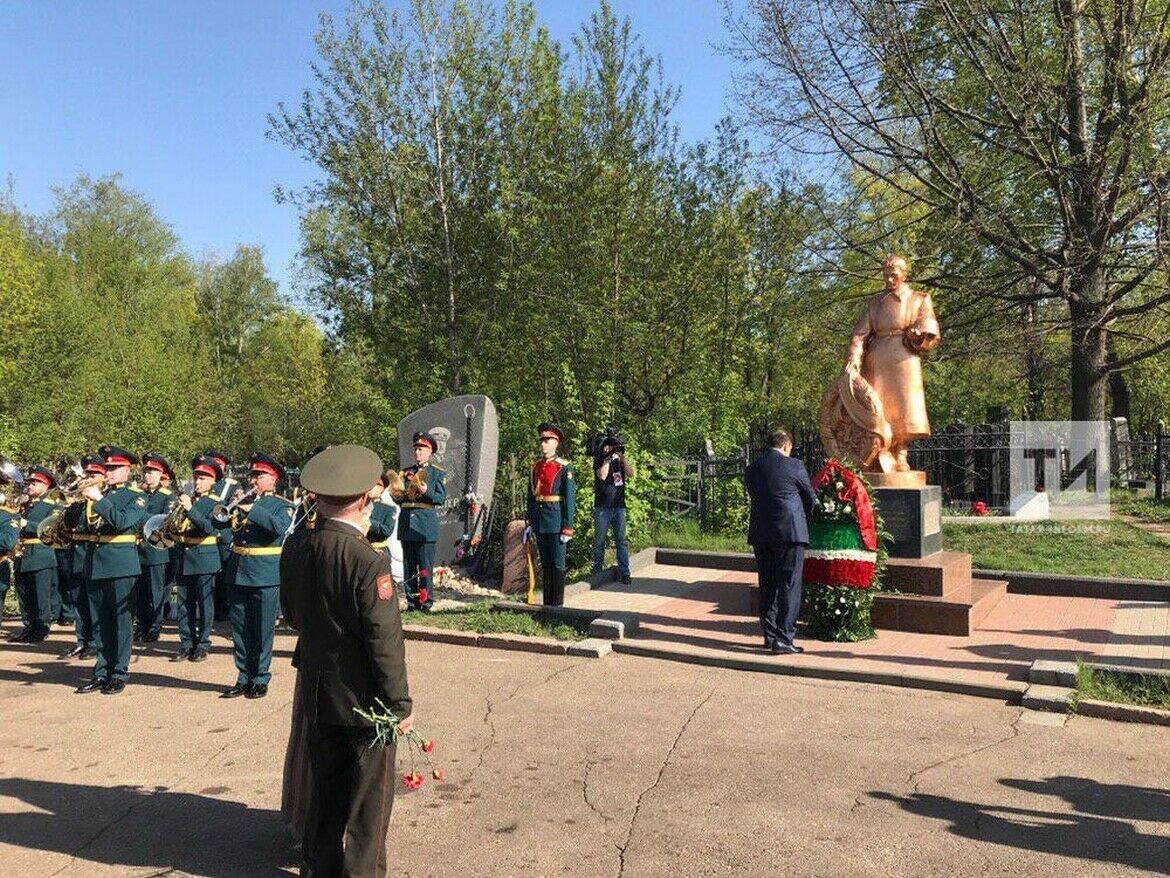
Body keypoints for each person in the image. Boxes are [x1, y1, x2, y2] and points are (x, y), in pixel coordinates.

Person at [280, 443, 412, 877]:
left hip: (319, 692)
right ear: (361, 500)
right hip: (365, 702)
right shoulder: (366, 560)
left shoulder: (297, 546)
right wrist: (399, 704)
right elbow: (384, 642)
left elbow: (294, 616)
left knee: (325, 798)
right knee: (368, 810)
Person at [77, 446, 149, 694]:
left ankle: (119, 672)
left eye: (113, 468)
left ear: (127, 471)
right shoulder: (98, 494)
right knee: (99, 622)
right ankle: (101, 671)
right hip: (95, 564)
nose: (107, 472)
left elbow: (121, 521)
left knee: (120, 622)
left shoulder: (136, 496)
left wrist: (97, 498)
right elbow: (79, 528)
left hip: (120, 565)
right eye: (106, 468)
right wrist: (79, 501)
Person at [222, 452, 293, 699]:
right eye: (252, 475)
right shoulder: (241, 499)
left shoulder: (282, 504)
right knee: (240, 629)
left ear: (273, 479)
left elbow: (279, 528)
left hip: (264, 572)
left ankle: (260, 677)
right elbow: (218, 523)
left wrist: (251, 509)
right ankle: (243, 677)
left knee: (262, 629)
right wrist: (232, 506)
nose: (253, 480)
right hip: (238, 570)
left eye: (259, 475)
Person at [743, 428, 816, 655]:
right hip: (790, 534)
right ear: (786, 446)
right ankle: (784, 638)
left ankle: (770, 635)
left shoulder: (752, 469)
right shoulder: (794, 465)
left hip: (761, 534)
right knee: (789, 585)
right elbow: (810, 499)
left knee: (768, 585)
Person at [171, 456, 226, 663]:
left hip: (204, 558)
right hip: (183, 555)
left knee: (204, 604)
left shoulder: (216, 503)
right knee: (184, 604)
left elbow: (210, 528)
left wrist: (189, 510)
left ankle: (203, 644)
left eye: (203, 478)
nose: (198, 482)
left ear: (213, 481)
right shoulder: (189, 498)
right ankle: (186, 643)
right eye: (196, 477)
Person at [57, 453, 105, 660]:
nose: (88, 477)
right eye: (86, 473)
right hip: (75, 555)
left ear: (103, 477)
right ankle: (82, 641)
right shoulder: (80, 500)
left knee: (93, 603)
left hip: (92, 553)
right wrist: (75, 500)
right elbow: (68, 524)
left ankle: (95, 642)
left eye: (93, 473)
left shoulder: (104, 500)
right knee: (78, 602)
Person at [391, 432, 447, 611]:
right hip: (407, 524)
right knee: (409, 566)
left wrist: (426, 491)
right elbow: (400, 499)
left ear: (430, 451)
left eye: (421, 449)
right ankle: (412, 602)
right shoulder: (405, 472)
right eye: (416, 449)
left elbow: (440, 498)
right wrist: (395, 494)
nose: (417, 453)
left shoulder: (437, 473)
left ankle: (426, 602)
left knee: (424, 566)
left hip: (424, 525)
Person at [526, 422, 576, 607]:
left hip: (556, 521)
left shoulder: (564, 467)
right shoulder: (535, 467)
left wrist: (568, 526)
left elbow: (569, 500)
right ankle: (547, 605)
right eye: (542, 441)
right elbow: (531, 497)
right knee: (545, 563)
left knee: (557, 563)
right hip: (539, 521)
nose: (543, 444)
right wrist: (530, 522)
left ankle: (557, 606)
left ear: (556, 443)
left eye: (547, 441)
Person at [11, 466, 61, 643]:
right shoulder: (24, 505)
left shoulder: (53, 506)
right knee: (24, 594)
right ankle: (28, 626)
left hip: (41, 554)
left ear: (46, 485)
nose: (30, 485)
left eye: (35, 482)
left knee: (41, 595)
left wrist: (25, 524)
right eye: (29, 482)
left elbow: (49, 527)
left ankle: (41, 628)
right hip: (22, 554)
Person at [134, 453, 175, 643]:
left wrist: (139, 515)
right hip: (137, 550)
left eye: (153, 472)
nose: (148, 476)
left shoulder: (167, 496)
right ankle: (141, 624)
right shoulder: (138, 494)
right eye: (146, 472)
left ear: (161, 474)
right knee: (140, 591)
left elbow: (164, 522)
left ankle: (154, 625)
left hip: (155, 550)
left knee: (156, 591)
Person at [591, 431, 634, 585]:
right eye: (609, 446)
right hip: (603, 507)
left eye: (614, 446)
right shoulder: (599, 459)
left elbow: (630, 473)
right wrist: (608, 458)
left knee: (621, 541)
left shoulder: (620, 460)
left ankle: (625, 572)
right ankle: (597, 573)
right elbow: (602, 476)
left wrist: (622, 458)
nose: (612, 449)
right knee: (599, 541)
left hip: (619, 507)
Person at [205, 449, 242, 621]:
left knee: (224, 575)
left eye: (218, 464)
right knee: (208, 578)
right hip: (206, 535)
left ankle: (224, 609)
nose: (215, 467)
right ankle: (212, 610)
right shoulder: (206, 482)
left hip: (224, 534)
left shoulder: (233, 485)